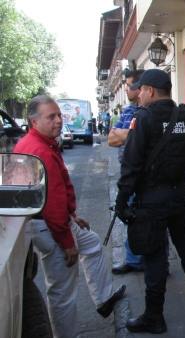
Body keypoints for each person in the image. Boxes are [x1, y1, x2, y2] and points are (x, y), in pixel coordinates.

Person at [15, 95, 126, 338]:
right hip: (50, 226)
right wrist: (66, 242)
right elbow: (52, 201)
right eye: (51, 117)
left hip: (54, 221)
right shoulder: (38, 150)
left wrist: (72, 215)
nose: (58, 121)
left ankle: (104, 297)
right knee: (63, 292)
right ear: (34, 122)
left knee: (93, 244)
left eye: (59, 115)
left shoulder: (35, 144)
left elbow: (50, 195)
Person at [115, 69, 185, 334]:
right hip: (178, 195)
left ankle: (154, 316)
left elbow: (131, 165)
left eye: (141, 90)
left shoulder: (143, 119)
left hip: (152, 200)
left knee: (155, 257)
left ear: (151, 91)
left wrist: (122, 201)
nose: (138, 94)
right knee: (184, 242)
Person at [109, 69, 146, 274]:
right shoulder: (128, 111)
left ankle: (158, 262)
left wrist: (127, 134)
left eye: (129, 85)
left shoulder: (152, 111)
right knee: (128, 216)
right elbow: (111, 139)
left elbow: (148, 139)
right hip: (128, 173)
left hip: (146, 173)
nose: (126, 88)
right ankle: (133, 260)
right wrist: (133, 133)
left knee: (154, 219)